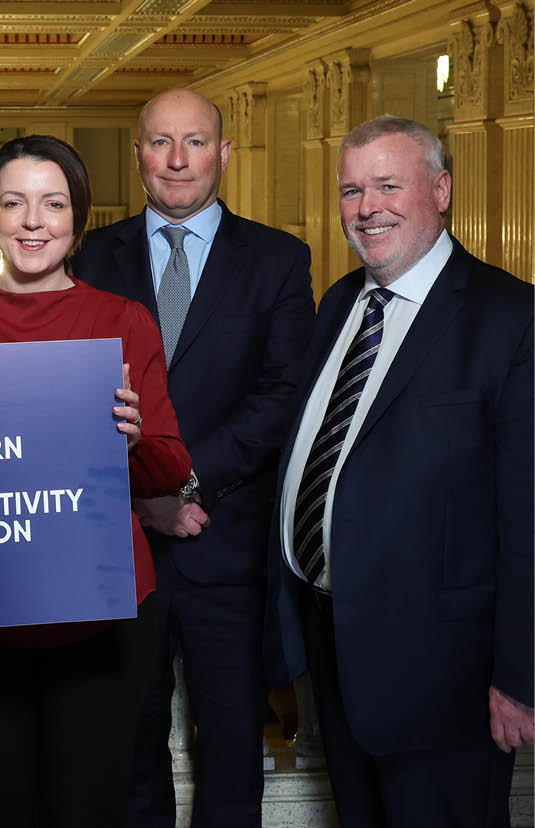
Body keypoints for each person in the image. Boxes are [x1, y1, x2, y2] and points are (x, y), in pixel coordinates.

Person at [0, 134, 193, 827]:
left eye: (53, 204)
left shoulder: (122, 321)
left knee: (88, 813)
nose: (33, 221)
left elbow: (170, 466)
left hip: (100, 621)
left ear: (79, 216)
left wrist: (131, 438)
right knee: (3, 812)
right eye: (14, 203)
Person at [267, 115, 533, 826]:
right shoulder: (338, 304)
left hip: (446, 676)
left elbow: (528, 516)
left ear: (440, 191)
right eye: (351, 190)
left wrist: (520, 678)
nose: (366, 208)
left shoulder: (510, 319)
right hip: (335, 649)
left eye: (388, 185)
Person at [72, 88, 315, 827]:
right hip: (119, 545)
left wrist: (178, 484)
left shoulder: (278, 259)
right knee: (129, 746)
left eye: (196, 142)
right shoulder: (91, 255)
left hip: (226, 545)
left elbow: (282, 394)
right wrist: (142, 498)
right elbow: (68, 397)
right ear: (137, 155)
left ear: (224, 153)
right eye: (159, 142)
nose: (177, 160)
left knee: (233, 746)